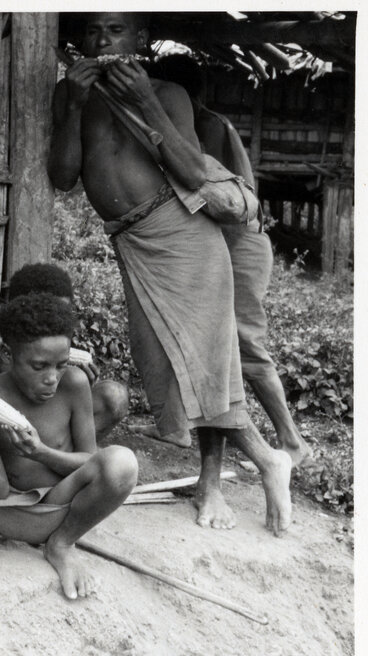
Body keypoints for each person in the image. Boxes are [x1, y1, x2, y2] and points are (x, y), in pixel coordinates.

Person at [47, 12, 292, 534]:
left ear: (141, 41)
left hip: (184, 235)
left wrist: (147, 102)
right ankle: (246, 466)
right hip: (130, 239)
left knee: (207, 360)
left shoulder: (170, 94)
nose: (102, 41)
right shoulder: (72, 95)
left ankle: (233, 476)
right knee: (165, 361)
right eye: (92, 32)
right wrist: (71, 105)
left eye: (114, 31)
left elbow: (190, 171)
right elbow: (62, 176)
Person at [151, 54, 313, 467]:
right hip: (217, 243)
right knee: (209, 344)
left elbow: (243, 198)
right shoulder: (178, 127)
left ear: (187, 95)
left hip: (238, 242)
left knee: (242, 345)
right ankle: (190, 429)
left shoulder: (209, 126)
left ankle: (291, 441)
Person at [0, 293, 138, 598]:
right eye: (39, 367)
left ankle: (62, 546)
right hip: (5, 513)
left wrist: (41, 453)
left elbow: (90, 461)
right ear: (8, 356)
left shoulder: (74, 385)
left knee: (122, 462)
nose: (52, 378)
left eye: (61, 365)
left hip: (60, 511)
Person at [0, 262, 129, 438]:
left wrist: (83, 384)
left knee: (114, 397)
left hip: (51, 422)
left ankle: (74, 455)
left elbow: (62, 391)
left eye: (65, 311)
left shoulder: (58, 337)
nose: (59, 317)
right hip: (9, 430)